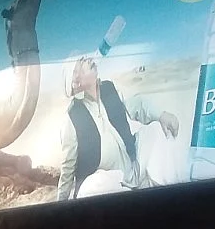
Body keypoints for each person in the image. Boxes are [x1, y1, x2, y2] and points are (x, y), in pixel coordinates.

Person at [58, 55, 182, 201]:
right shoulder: (71, 117)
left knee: (158, 130)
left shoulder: (110, 88)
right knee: (92, 185)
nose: (88, 60)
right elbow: (68, 165)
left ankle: (169, 195)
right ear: (75, 82)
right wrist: (61, 203)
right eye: (81, 62)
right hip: (106, 185)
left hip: (132, 167)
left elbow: (137, 104)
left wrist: (161, 115)